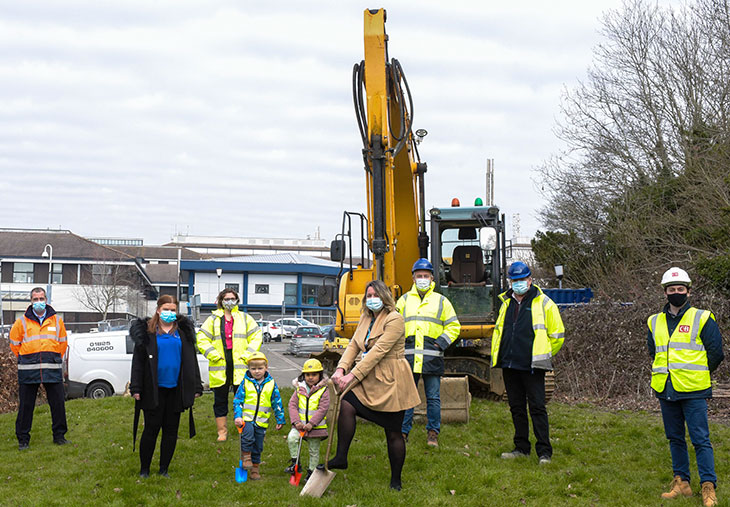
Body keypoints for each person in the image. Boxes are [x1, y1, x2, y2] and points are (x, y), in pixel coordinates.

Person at [329, 279, 420, 491]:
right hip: (369, 377)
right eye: (368, 296)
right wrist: (341, 368)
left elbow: (378, 352)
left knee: (394, 432)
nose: (371, 300)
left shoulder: (395, 319)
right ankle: (341, 456)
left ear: (385, 297)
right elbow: (354, 345)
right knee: (346, 404)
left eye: (375, 296)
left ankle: (395, 481)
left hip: (391, 380)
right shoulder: (365, 317)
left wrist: (351, 376)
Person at [647, 267, 724, 507]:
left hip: (693, 390)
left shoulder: (702, 317)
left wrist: (698, 373)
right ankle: (681, 482)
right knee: (675, 438)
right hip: (666, 389)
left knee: (701, 439)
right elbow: (655, 353)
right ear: (665, 293)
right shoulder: (654, 321)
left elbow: (716, 353)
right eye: (672, 289)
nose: (676, 292)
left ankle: (708, 487)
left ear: (688, 291)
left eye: (681, 289)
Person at [491, 261, 564, 465]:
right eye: (515, 280)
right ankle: (521, 448)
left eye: (522, 279)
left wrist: (544, 355)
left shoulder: (544, 303)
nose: (519, 283)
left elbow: (557, 335)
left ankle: (544, 452)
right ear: (510, 282)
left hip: (532, 367)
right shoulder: (506, 303)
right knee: (516, 408)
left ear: (530, 280)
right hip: (510, 364)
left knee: (537, 408)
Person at [130, 295, 202, 478]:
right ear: (158, 310)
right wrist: (136, 388)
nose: (169, 313)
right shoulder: (147, 332)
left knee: (171, 432)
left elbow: (191, 360)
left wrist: (196, 386)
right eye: (166, 309)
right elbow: (138, 362)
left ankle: (164, 469)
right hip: (153, 389)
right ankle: (144, 469)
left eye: (173, 310)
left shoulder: (183, 332)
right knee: (151, 430)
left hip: (176, 389)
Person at [397, 258, 461, 447]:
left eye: (425, 276)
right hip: (408, 358)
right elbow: (393, 325)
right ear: (413, 278)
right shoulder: (404, 300)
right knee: (408, 397)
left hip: (432, 358)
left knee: (433, 398)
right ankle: (403, 432)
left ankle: (433, 432)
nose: (422, 279)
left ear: (432, 277)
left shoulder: (442, 301)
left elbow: (453, 326)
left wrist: (441, 343)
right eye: (419, 276)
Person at [197, 288, 262, 441]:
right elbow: (201, 338)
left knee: (244, 400)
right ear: (221, 301)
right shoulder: (213, 319)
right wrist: (212, 354)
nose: (230, 301)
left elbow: (257, 336)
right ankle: (222, 432)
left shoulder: (245, 318)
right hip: (220, 364)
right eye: (226, 299)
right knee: (220, 400)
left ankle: (245, 430)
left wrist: (248, 356)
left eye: (232, 298)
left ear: (237, 300)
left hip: (240, 365)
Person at [9, 287, 69, 450]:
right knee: (26, 406)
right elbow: (14, 345)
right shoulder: (21, 322)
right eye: (35, 299)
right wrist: (25, 358)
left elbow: (63, 343)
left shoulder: (57, 321)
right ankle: (23, 439)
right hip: (29, 371)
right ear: (31, 301)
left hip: (52, 369)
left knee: (58, 404)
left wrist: (54, 357)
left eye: (41, 299)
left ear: (46, 300)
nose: (38, 302)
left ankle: (59, 436)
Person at [233, 351, 285, 480]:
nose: (257, 371)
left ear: (266, 368)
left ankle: (255, 469)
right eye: (253, 368)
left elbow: (276, 402)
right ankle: (246, 458)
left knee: (258, 446)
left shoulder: (271, 384)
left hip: (262, 421)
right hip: (247, 420)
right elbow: (237, 401)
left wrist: (280, 418)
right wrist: (238, 416)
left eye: (260, 368)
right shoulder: (245, 383)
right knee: (247, 438)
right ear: (249, 369)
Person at [285, 358, 330, 483]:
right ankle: (295, 463)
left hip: (315, 427)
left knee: (313, 450)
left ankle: (311, 472)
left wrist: (311, 423)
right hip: (299, 426)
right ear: (303, 375)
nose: (310, 377)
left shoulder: (323, 390)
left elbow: (323, 409)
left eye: (314, 375)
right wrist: (296, 422)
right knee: (292, 438)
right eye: (307, 374)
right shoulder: (300, 389)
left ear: (320, 375)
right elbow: (292, 405)